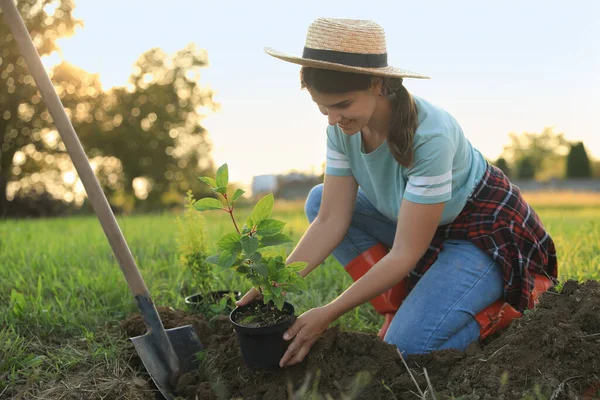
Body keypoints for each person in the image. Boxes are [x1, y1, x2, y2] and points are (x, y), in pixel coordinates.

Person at [236, 17, 558, 368]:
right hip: (421, 227)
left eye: (342, 105)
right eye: (322, 107)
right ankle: (399, 306)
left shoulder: (430, 136)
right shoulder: (342, 131)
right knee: (318, 200)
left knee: (401, 350)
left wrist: (328, 313)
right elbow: (330, 219)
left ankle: (503, 314)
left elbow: (405, 252)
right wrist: (275, 284)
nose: (332, 119)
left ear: (376, 85)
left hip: (480, 233)